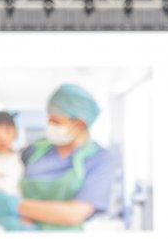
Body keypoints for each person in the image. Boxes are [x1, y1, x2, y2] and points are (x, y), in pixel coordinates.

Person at [16, 83, 118, 230]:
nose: (49, 125)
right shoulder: (34, 150)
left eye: (56, 121)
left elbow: (74, 214)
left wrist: (14, 205)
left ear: (79, 123)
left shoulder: (100, 159)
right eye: (49, 119)